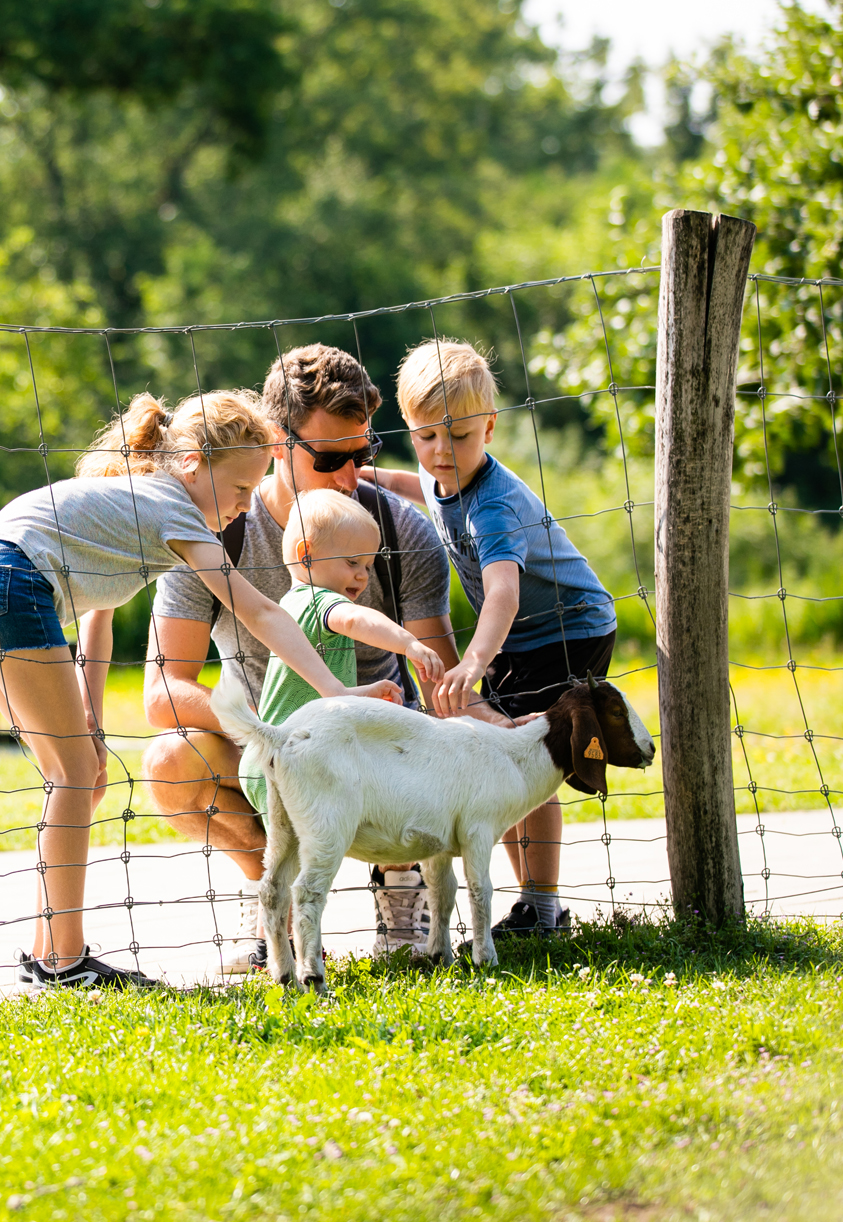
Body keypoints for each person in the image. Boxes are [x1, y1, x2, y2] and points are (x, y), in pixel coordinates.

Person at [0, 389, 402, 990]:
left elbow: (95, 623)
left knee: (78, 773)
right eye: (239, 490)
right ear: (191, 464)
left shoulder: (136, 504)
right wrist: (337, 691)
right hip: (5, 584)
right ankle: (65, 964)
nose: (243, 507)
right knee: (74, 776)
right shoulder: (173, 510)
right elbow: (261, 612)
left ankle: (46, 953)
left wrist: (91, 722)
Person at [140, 344, 475, 973]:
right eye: (330, 458)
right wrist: (284, 732)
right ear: (275, 442)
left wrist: (503, 731)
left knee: (429, 736)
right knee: (170, 760)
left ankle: (401, 890)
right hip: (270, 748)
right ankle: (271, 891)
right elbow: (164, 690)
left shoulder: (401, 531)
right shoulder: (213, 531)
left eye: (363, 454)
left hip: (376, 749)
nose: (350, 476)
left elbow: (436, 679)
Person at [364, 338, 619, 938]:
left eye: (459, 437)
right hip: (517, 637)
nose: (441, 452)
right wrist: (362, 473)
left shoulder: (494, 507)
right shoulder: (439, 473)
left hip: (565, 630)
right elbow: (414, 483)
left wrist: (473, 664)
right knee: (496, 748)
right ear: (411, 428)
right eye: (426, 437)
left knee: (525, 758)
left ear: (491, 428)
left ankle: (543, 906)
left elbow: (503, 593)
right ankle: (534, 901)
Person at [237, 489, 444, 820]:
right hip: (296, 758)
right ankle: (401, 865)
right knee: (386, 804)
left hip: (273, 755)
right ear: (306, 555)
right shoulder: (320, 601)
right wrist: (408, 643)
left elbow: (313, 689)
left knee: (300, 857)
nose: (363, 575)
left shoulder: (290, 603)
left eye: (367, 565)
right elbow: (355, 619)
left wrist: (359, 695)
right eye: (352, 563)